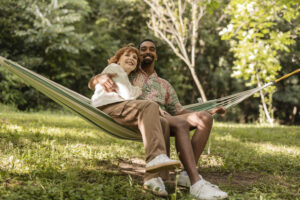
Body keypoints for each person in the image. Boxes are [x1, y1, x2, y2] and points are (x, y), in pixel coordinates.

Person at [89, 39, 228, 200]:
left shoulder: (164, 85)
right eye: (143, 49)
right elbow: (99, 82)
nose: (147, 51)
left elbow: (179, 110)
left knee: (204, 117)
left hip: (165, 117)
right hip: (141, 117)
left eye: (152, 49)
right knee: (178, 121)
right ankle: (193, 179)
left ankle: (185, 174)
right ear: (139, 55)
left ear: (156, 55)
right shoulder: (129, 73)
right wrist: (97, 78)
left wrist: (208, 110)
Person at [90, 45, 181, 177]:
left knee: (163, 123)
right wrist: (138, 88)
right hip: (108, 107)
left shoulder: (124, 77)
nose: (131, 59)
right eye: (127, 55)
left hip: (120, 109)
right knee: (151, 106)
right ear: (118, 60)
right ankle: (156, 157)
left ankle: (157, 177)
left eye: (135, 58)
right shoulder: (115, 68)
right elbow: (128, 95)